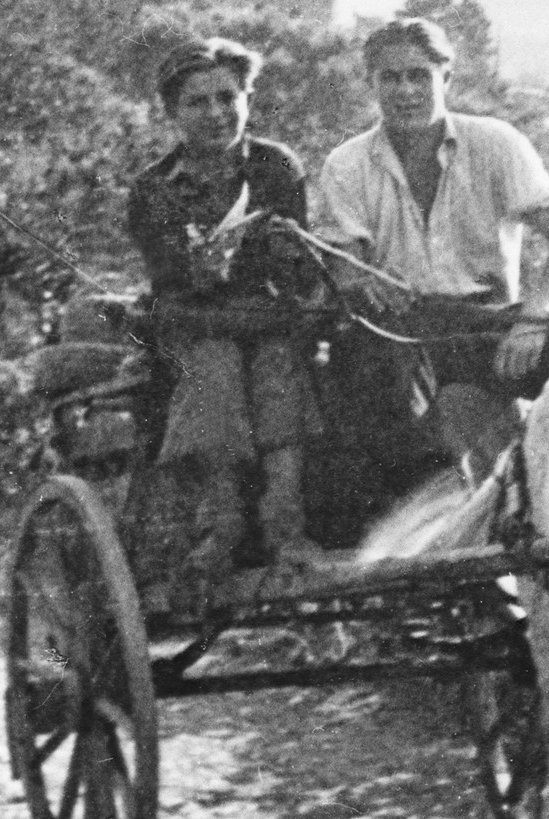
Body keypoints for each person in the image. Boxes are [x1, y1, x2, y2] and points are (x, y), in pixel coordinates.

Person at [316, 17, 549, 482]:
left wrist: (535, 317)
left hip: (494, 329)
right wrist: (364, 285)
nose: (405, 91)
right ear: (372, 83)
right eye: (390, 77)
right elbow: (345, 271)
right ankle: (420, 499)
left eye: (418, 75)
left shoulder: (496, 143)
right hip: (408, 336)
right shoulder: (347, 165)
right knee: (368, 360)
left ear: (445, 78)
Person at [126, 37, 325, 573]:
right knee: (214, 361)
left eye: (228, 97)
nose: (216, 113)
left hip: (271, 331)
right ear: (171, 112)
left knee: (276, 366)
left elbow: (297, 272)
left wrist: (281, 277)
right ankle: (224, 523)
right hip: (194, 338)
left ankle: (286, 527)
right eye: (197, 102)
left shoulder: (275, 169)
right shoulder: (154, 189)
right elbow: (175, 293)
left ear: (247, 100)